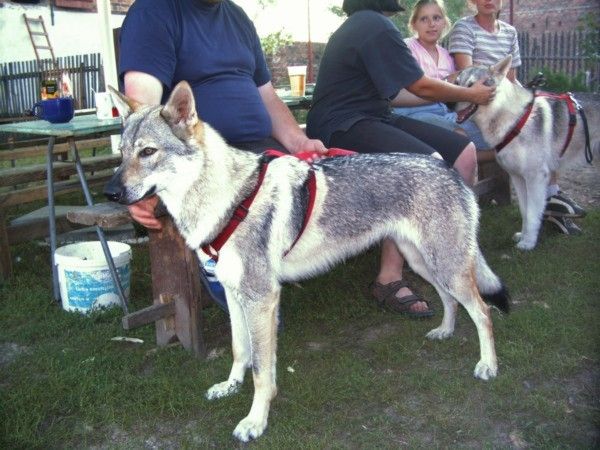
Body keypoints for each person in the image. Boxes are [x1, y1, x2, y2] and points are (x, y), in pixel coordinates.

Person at [118, 0, 327, 309]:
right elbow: (142, 109)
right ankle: (232, 273)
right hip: (198, 158)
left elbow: (267, 98)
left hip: (259, 149)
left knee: (321, 187)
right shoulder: (154, 11)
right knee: (248, 203)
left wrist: (299, 142)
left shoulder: (238, 17)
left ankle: (266, 268)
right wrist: (140, 182)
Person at [306, 0, 495, 318]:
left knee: (464, 153)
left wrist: (451, 94)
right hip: (342, 124)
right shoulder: (373, 24)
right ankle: (389, 278)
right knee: (423, 168)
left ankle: (447, 246)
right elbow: (420, 85)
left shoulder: (367, 24)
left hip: (374, 116)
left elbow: (398, 95)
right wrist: (469, 94)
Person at [448, 0, 586, 234]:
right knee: (536, 142)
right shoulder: (464, 28)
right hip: (477, 108)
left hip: (505, 102)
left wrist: (528, 105)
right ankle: (552, 201)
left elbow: (511, 79)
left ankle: (552, 202)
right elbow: (469, 78)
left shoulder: (510, 31)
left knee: (542, 127)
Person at [392, 0, 491, 155]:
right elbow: (397, 92)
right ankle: (489, 158)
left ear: (444, 22)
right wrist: (445, 86)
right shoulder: (407, 48)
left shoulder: (447, 56)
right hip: (412, 114)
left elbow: (453, 94)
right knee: (460, 137)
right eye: (424, 19)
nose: (431, 24)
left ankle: (492, 157)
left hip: (445, 113)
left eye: (436, 18)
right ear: (414, 24)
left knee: (487, 137)